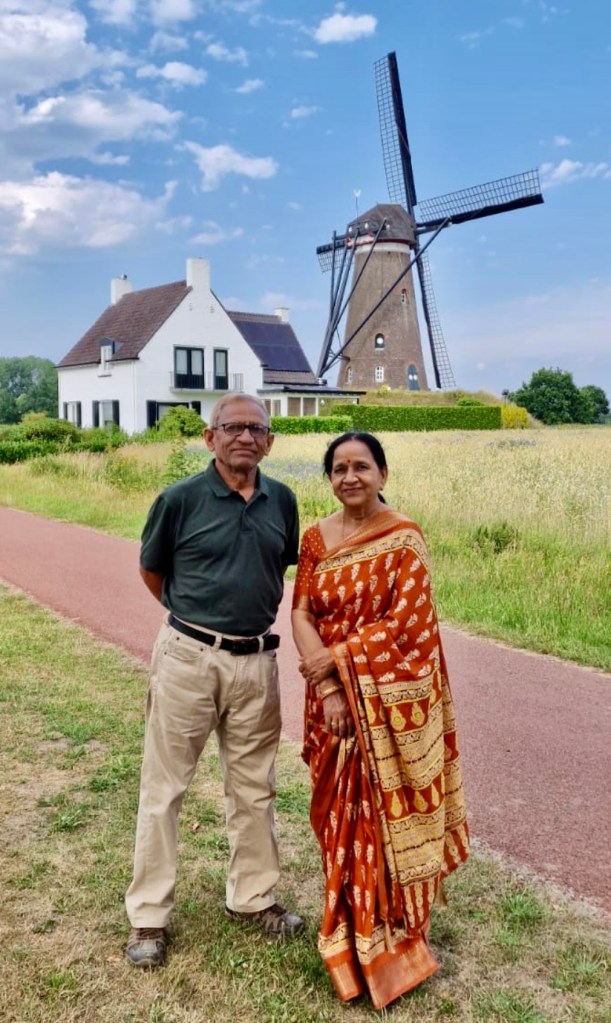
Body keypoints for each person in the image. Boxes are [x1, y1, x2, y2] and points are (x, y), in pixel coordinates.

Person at [291, 432, 469, 1010]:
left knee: (380, 821)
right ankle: (346, 939)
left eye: (361, 466)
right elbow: (301, 613)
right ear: (330, 478)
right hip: (332, 706)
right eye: (339, 468)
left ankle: (393, 944)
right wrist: (328, 686)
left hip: (386, 710)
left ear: (382, 474)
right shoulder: (315, 540)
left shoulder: (403, 539)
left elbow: (411, 631)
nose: (350, 477)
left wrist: (340, 659)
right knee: (338, 823)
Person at [125, 393, 304, 968]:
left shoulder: (284, 500)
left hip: (257, 663)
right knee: (164, 788)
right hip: (189, 657)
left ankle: (253, 899)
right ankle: (149, 917)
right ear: (211, 437)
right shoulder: (179, 499)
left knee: (254, 787)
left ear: (270, 442)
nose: (245, 437)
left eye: (257, 429)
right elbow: (152, 570)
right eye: (233, 427)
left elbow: (279, 565)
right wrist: (194, 620)